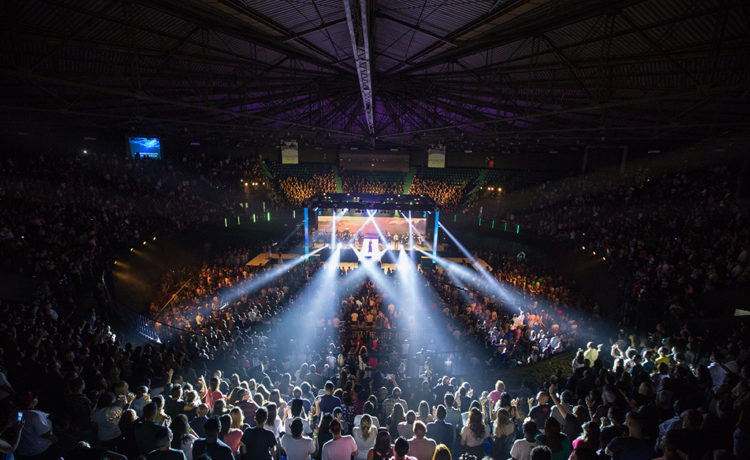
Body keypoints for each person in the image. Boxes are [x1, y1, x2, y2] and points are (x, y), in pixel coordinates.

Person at [16, 392, 57, 459]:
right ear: (31, 402)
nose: (36, 398)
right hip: (39, 449)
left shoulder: (18, 412)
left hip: (26, 448)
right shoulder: (34, 416)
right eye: (34, 398)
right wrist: (56, 439)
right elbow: (45, 434)